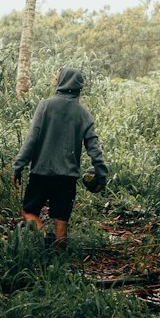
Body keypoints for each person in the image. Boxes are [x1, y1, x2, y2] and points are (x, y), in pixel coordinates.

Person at [12, 66, 109, 250]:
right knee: (61, 222)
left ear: (62, 82)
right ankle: (59, 264)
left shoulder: (45, 106)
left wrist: (19, 166)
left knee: (29, 212)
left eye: (57, 77)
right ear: (79, 86)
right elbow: (94, 148)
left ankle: (43, 235)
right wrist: (101, 175)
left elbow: (31, 139)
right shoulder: (83, 114)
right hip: (67, 177)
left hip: (41, 172)